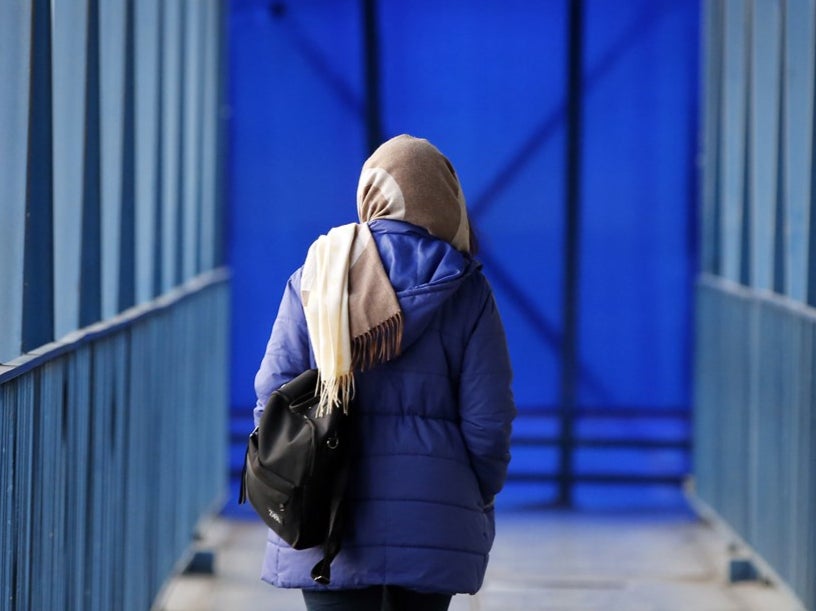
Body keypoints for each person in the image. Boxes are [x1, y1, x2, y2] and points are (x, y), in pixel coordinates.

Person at [253, 134, 516, 611]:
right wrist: (468, 490)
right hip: (434, 520)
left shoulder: (319, 274)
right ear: (444, 199)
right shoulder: (467, 289)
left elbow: (273, 394)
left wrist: (287, 475)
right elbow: (489, 419)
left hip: (329, 519)